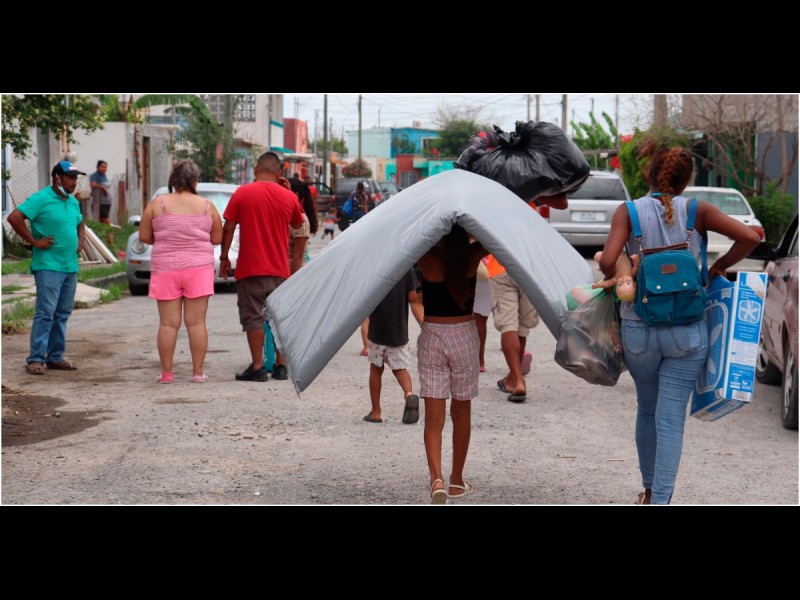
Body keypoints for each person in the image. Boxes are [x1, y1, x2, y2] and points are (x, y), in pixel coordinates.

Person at [599, 143, 760, 506]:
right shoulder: (697, 210)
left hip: (639, 329)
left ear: (649, 174)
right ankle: (662, 501)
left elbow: (608, 260)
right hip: (688, 333)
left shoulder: (628, 211)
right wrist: (718, 267)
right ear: (686, 181)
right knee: (670, 418)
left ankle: (648, 490)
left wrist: (629, 266)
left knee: (647, 409)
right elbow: (751, 237)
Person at [416, 223, 488, 504]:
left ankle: (436, 480)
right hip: (464, 336)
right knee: (462, 411)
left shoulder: (426, 255)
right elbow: (494, 237)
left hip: (433, 334)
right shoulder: (473, 255)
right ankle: (457, 481)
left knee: (433, 418)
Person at [220, 152, 304, 382]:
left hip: (251, 269)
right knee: (279, 318)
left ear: (256, 170)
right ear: (279, 173)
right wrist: (288, 192)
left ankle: (257, 367)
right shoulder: (288, 197)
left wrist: (224, 257)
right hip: (280, 270)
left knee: (254, 317)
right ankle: (281, 366)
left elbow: (228, 227)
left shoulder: (242, 193)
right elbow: (299, 223)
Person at [137, 159, 223, 384]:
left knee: (168, 324)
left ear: (173, 180)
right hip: (199, 269)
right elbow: (217, 238)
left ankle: (167, 374)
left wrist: (165, 239)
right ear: (195, 180)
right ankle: (197, 373)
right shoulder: (207, 206)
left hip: (166, 269)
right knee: (196, 323)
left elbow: (144, 236)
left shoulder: (157, 204)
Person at [7, 161, 86, 375]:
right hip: (48, 266)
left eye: (76, 178)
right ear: (57, 178)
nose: (74, 182)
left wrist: (80, 241)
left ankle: (55, 357)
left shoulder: (72, 202)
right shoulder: (42, 198)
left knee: (62, 313)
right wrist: (34, 241)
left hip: (69, 266)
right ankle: (35, 359)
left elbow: (80, 222)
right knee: (46, 313)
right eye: (70, 178)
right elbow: (14, 217)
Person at [488, 195, 567, 402]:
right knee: (522, 327)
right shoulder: (532, 194)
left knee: (508, 326)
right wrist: (536, 192)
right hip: (529, 269)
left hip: (500, 267)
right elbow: (562, 202)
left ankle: (516, 378)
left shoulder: (494, 193)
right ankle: (514, 377)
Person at [363, 268, 420, 425]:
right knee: (400, 368)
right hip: (398, 329)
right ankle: (409, 394)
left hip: (378, 329)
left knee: (376, 368)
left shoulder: (376, 267)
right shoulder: (405, 267)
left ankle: (376, 412)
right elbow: (412, 297)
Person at [473, 256, 492, 373]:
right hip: (492, 270)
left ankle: (477, 360)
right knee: (481, 319)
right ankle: (480, 361)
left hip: (475, 269)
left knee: (476, 318)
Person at [89, 160, 113, 224]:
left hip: (107, 202)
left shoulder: (104, 176)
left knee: (103, 222)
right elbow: (93, 184)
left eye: (105, 167)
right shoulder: (94, 175)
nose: (104, 168)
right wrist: (102, 187)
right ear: (97, 167)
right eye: (102, 167)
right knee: (106, 221)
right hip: (100, 203)